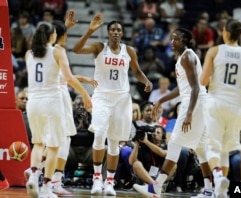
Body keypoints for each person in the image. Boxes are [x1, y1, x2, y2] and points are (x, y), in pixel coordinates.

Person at [73, 13, 153, 196]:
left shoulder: (129, 50)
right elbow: (77, 50)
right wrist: (89, 31)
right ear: (108, 33)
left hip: (122, 99)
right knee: (100, 134)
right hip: (101, 96)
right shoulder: (100, 47)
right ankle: (96, 180)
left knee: (115, 143)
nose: (116, 32)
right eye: (112, 29)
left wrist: (146, 81)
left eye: (119, 29)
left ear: (122, 33)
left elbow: (137, 71)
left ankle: (109, 182)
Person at [133, 28, 212, 198]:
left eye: (176, 38)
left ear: (184, 40)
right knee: (201, 148)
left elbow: (196, 87)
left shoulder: (188, 56)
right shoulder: (181, 58)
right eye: (171, 38)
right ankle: (209, 190)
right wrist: (161, 100)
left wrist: (189, 113)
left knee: (175, 143)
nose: (172, 41)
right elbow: (180, 87)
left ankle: (156, 187)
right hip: (198, 103)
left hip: (194, 103)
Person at [25, 21, 92, 198]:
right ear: (52, 36)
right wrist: (85, 93)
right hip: (51, 101)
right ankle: (47, 187)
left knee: (38, 143)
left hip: (33, 102)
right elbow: (68, 78)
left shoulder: (28, 54)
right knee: (54, 146)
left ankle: (33, 175)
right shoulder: (58, 51)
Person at [200, 19, 241, 197]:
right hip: (237, 107)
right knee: (225, 150)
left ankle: (219, 177)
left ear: (225, 33)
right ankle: (220, 192)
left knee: (211, 147)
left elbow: (203, 81)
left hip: (217, 102)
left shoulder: (215, 51)